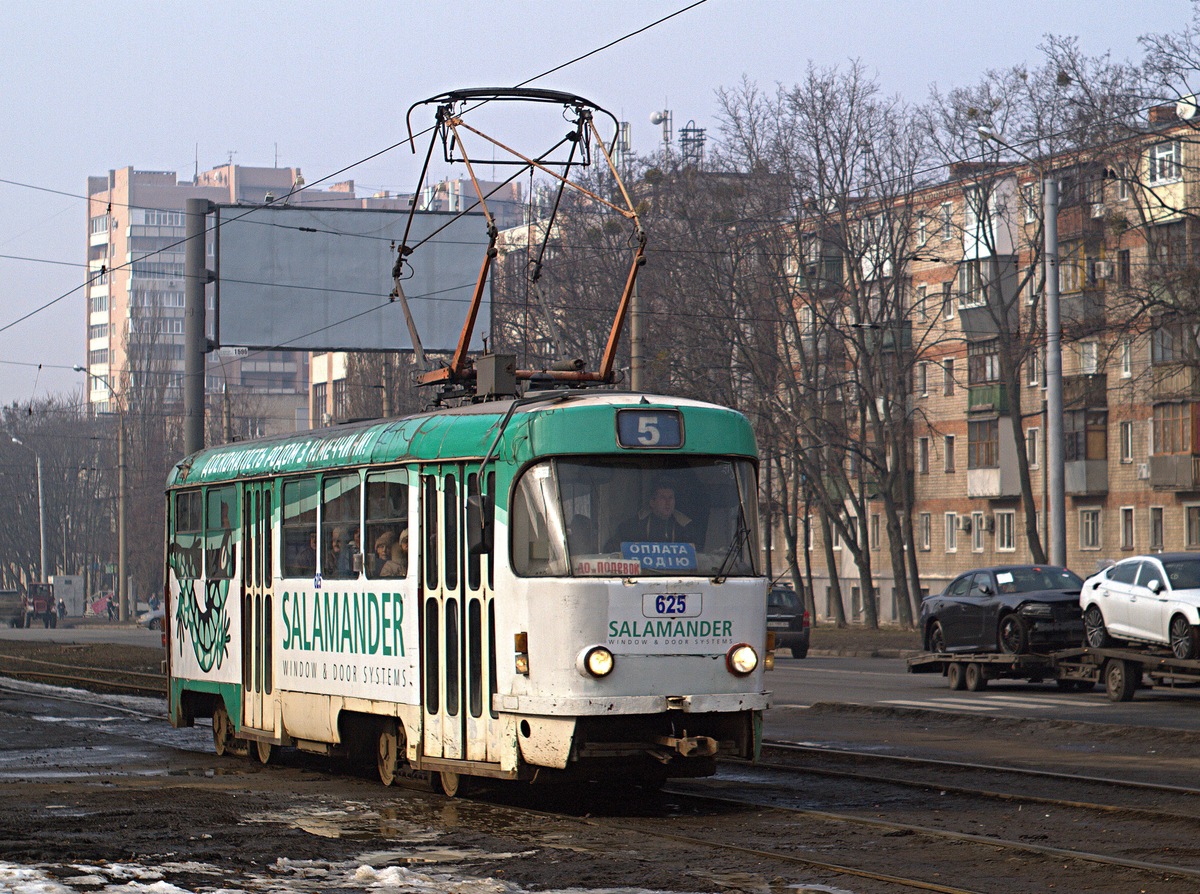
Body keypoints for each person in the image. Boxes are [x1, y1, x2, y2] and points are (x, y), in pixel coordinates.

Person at [609, 480, 696, 548]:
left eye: (671, 498)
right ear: (652, 502)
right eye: (663, 498)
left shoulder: (685, 527)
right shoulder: (635, 525)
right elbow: (613, 548)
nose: (668, 502)